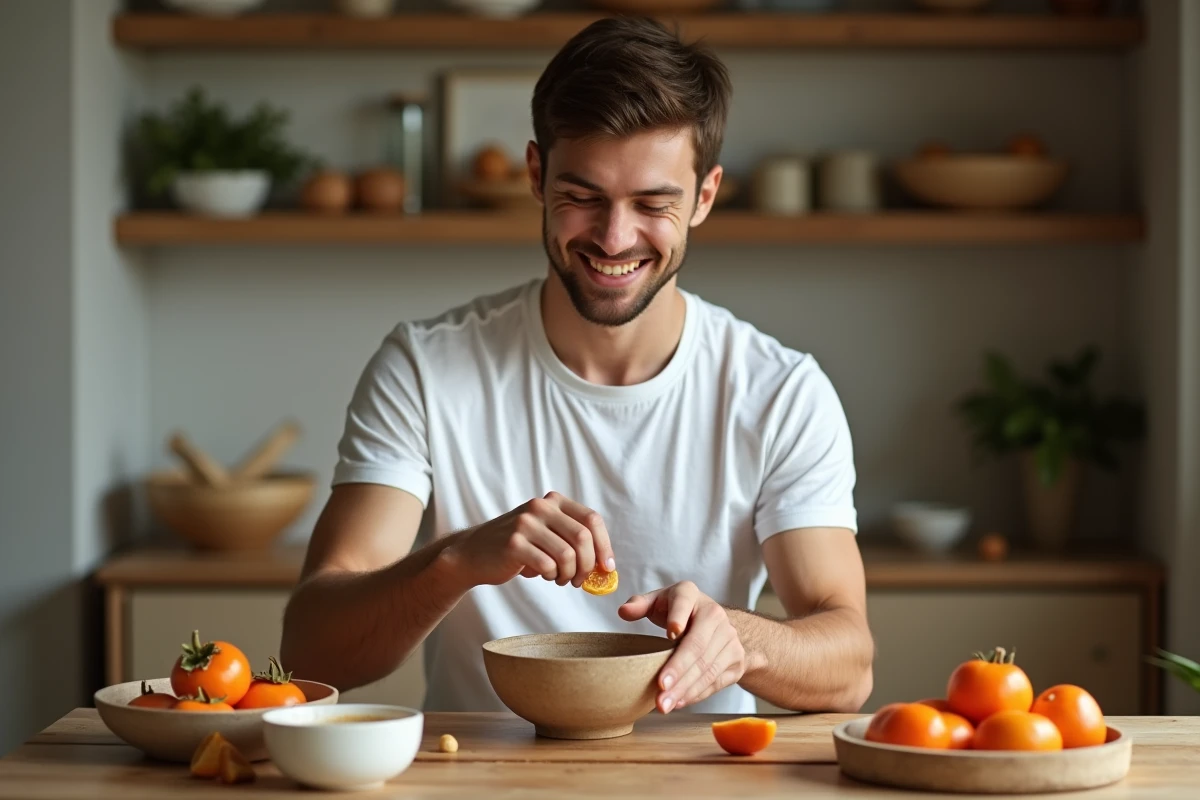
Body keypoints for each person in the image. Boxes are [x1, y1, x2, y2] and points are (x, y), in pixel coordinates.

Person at [281, 15, 873, 716]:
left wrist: (739, 639)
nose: (614, 238)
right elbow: (311, 652)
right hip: (480, 778)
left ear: (705, 197)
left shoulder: (780, 393)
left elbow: (850, 666)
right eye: (582, 197)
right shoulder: (425, 368)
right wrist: (456, 562)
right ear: (537, 174)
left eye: (653, 204)